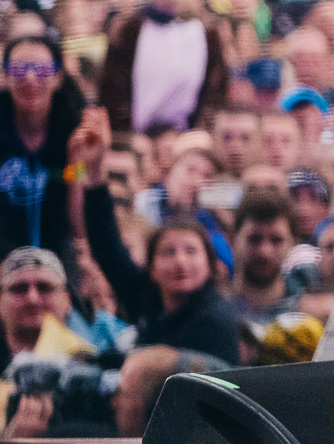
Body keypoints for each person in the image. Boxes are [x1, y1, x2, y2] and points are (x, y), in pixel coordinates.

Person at [68, 107, 239, 366]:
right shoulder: (148, 300)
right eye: (168, 252)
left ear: (210, 265)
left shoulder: (216, 320)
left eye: (191, 251)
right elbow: (107, 247)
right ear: (152, 268)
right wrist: (93, 170)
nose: (180, 262)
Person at [99, 0, 228, 134]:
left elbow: (214, 96)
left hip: (188, 140)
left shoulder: (208, 32)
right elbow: (113, 94)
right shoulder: (128, 31)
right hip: (136, 139)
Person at [0, 34, 86, 267]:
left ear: (58, 78)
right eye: (18, 69)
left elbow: (77, 218)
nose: (29, 78)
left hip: (58, 252)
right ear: (5, 76)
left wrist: (76, 162)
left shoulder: (73, 129)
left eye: (41, 69)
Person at [228, 192, 303, 323]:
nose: (264, 252)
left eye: (276, 240)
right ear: (234, 240)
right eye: (254, 239)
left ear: (293, 243)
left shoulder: (308, 313)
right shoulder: (212, 312)